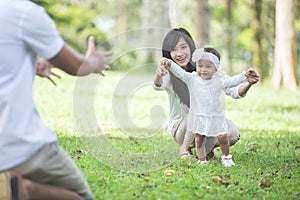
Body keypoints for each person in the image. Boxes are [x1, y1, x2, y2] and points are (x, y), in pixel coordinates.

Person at [0, 0, 112, 200]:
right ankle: (23, 190)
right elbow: (77, 65)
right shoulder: (24, 13)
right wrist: (94, 61)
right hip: (17, 145)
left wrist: (30, 67)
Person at [153, 28, 259, 160]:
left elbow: (233, 91)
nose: (179, 53)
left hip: (206, 120)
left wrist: (248, 83)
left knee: (231, 133)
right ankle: (184, 149)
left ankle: (204, 151)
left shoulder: (208, 66)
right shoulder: (170, 70)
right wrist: (159, 73)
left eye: (183, 47)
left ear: (191, 47)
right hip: (180, 127)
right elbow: (158, 86)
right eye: (174, 50)